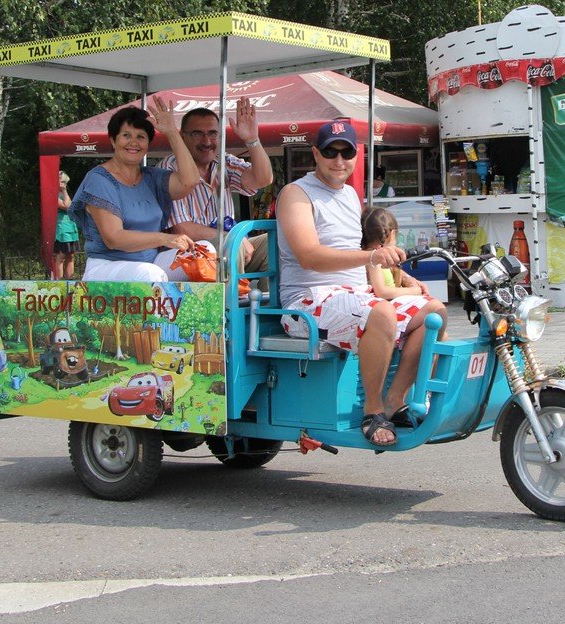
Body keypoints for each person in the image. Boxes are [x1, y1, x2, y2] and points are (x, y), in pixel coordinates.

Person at [276, 119, 446, 448]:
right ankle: (373, 411)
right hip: (308, 302)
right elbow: (310, 256)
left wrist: (402, 274)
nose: (339, 160)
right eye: (330, 152)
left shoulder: (352, 195)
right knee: (380, 313)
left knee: (433, 311)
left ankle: (396, 400)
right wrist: (370, 258)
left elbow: (366, 252)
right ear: (315, 153)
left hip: (356, 296)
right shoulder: (296, 194)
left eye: (346, 153)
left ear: (357, 156)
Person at [70, 99, 202, 282]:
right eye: (126, 135)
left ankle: (200, 310)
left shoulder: (152, 177)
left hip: (151, 263)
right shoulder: (99, 180)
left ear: (148, 144)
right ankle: (167, 311)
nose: (134, 142)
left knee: (203, 253)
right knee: (150, 274)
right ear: (113, 141)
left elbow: (190, 181)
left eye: (141, 137)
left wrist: (172, 132)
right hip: (106, 266)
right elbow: (114, 238)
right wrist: (164, 239)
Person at [157, 99, 273, 280]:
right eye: (197, 134)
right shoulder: (169, 168)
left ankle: (265, 306)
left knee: (273, 243)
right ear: (183, 136)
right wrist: (235, 238)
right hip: (184, 256)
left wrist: (252, 140)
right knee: (228, 244)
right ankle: (229, 306)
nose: (206, 141)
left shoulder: (223, 161)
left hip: (229, 248)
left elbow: (263, 179)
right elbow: (184, 230)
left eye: (212, 133)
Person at [53, 171, 80, 280]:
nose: (64, 184)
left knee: (70, 256)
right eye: (62, 182)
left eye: (65, 182)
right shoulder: (54, 194)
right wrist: (64, 191)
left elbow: (71, 205)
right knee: (61, 256)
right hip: (61, 229)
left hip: (71, 227)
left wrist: (64, 191)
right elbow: (66, 206)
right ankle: (59, 282)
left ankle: (70, 279)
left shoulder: (65, 194)